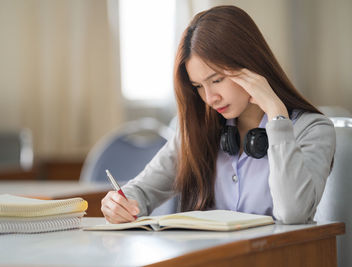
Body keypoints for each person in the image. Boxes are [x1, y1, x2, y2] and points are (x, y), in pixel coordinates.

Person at [101, 5, 336, 224]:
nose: (210, 97)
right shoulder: (199, 128)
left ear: (251, 65)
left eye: (216, 80)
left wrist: (276, 114)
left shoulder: (313, 129)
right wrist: (120, 203)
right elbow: (142, 190)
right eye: (199, 86)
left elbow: (293, 213)